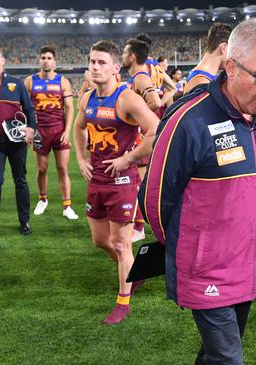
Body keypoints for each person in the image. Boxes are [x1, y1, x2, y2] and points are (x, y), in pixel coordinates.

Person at [139, 19, 256, 365]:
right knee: (228, 360)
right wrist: (191, 250)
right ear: (231, 67)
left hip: (248, 263)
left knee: (214, 356)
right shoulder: (188, 119)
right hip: (206, 270)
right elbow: (154, 200)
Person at [73, 40, 159, 325]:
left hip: (122, 180)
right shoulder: (86, 98)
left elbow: (155, 130)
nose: (95, 67)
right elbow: (78, 127)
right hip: (96, 178)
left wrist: (129, 158)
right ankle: (138, 270)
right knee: (100, 240)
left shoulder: (127, 98)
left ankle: (124, 302)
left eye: (101, 62)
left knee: (121, 244)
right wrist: (80, 157)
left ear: (114, 68)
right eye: (92, 62)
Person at [0, 45, 37, 236]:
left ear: (3, 60)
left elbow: (28, 110)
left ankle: (24, 221)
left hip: (17, 142)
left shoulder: (17, 84)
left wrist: (31, 128)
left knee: (21, 181)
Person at [26, 45, 78, 220]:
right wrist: (29, 128)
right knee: (42, 168)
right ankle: (42, 199)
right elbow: (24, 107)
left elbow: (70, 108)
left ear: (54, 61)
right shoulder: (30, 82)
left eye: (49, 57)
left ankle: (67, 206)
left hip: (58, 130)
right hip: (40, 131)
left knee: (63, 168)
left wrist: (67, 130)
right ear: (39, 60)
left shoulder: (63, 81)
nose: (46, 60)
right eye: (43, 57)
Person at [122, 38, 163, 242]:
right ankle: (141, 226)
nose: (122, 57)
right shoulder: (139, 77)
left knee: (141, 185)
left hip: (142, 138)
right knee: (138, 183)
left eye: (124, 53)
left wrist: (139, 117)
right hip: (139, 136)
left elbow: (154, 101)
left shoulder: (140, 77)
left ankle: (142, 227)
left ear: (132, 56)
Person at [184, 23, 233, 94]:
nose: (233, 57)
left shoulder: (205, 77)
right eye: (232, 51)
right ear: (224, 48)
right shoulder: (201, 81)